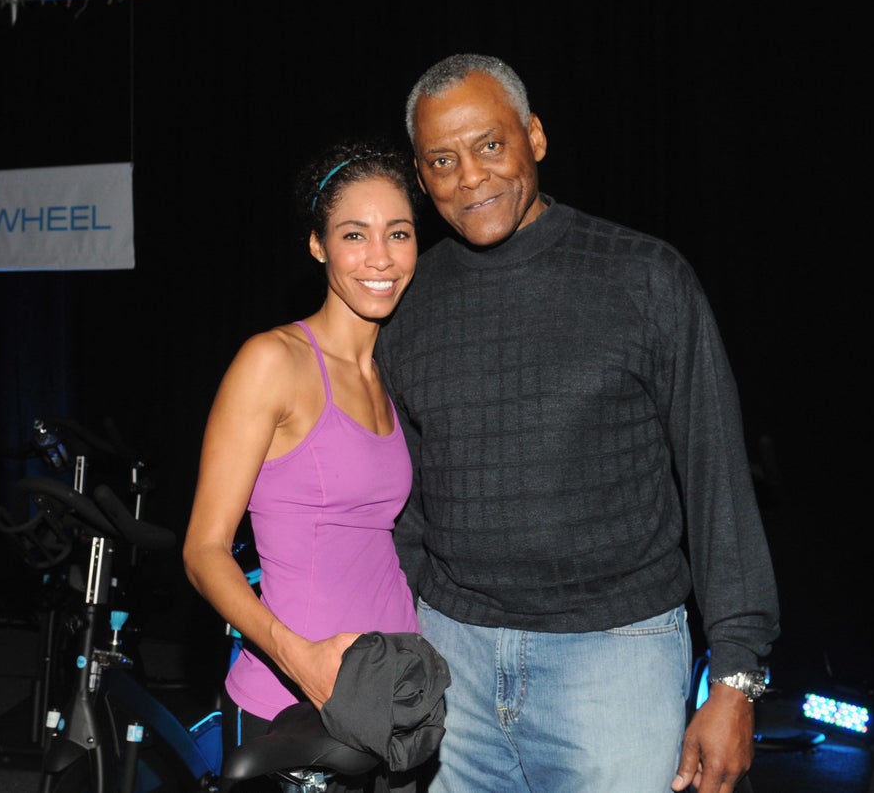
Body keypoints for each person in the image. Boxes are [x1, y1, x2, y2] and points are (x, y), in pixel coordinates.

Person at [374, 53, 780, 793]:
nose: (469, 176)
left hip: (615, 665)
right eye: (442, 159)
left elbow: (717, 475)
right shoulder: (407, 299)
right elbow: (397, 486)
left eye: (490, 145)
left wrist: (736, 678)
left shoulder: (644, 277)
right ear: (420, 174)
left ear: (534, 137)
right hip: (451, 665)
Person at [182, 139, 425, 785]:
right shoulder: (274, 361)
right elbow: (203, 551)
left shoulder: (390, 372)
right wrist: (301, 661)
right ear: (317, 245)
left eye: (398, 233)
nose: (380, 257)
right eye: (355, 234)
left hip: (398, 699)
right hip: (293, 707)